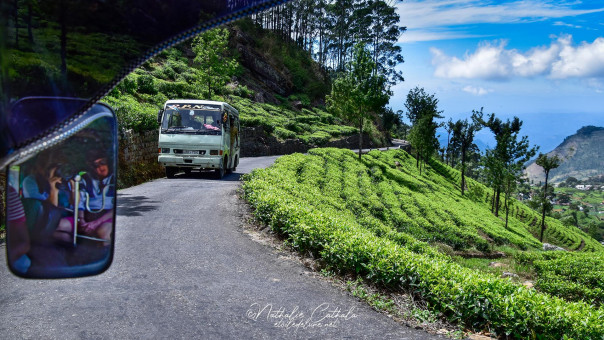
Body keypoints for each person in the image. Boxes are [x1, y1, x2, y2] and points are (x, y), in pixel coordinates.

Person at [54, 151, 114, 245]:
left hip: (106, 217)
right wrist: (81, 220)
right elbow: (80, 202)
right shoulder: (85, 178)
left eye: (102, 163)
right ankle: (72, 252)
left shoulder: (115, 178)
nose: (100, 168)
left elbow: (117, 208)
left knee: (103, 232)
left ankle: (103, 256)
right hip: (86, 216)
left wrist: (95, 223)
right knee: (58, 226)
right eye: (95, 165)